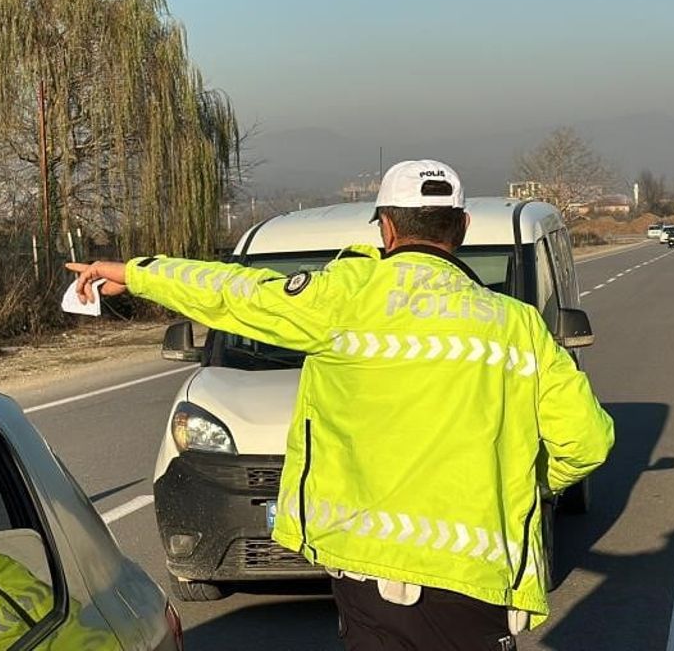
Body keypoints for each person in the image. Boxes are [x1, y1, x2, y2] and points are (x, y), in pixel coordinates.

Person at [67, 159, 614, 650]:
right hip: (478, 581)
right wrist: (522, 482)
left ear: (387, 227)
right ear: (463, 227)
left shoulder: (344, 300)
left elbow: (236, 292)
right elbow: (586, 441)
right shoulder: (516, 327)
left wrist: (135, 273)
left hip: (369, 574)